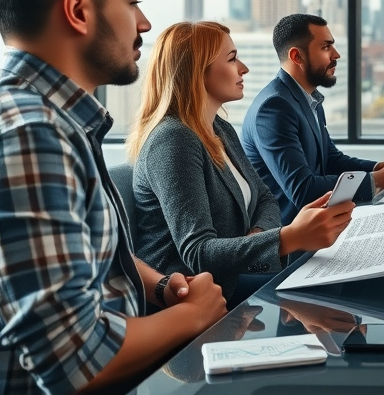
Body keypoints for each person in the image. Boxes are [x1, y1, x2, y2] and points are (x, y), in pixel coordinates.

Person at [0, 0, 227, 394]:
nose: (144, 23)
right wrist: (192, 315)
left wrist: (160, 286)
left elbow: (88, 253)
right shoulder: (32, 134)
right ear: (78, 10)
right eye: (132, 2)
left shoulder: (56, 122)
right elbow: (76, 364)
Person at [127, 22, 357, 309]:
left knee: (339, 275)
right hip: (193, 298)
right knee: (332, 290)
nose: (244, 68)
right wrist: (288, 237)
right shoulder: (173, 140)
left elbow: (265, 199)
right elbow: (198, 253)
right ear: (198, 71)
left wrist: (259, 238)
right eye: (232, 59)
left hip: (233, 278)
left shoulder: (219, 129)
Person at [242, 14, 384, 225]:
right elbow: (303, 190)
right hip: (292, 235)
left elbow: (330, 160)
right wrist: (378, 180)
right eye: (326, 47)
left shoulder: (308, 99)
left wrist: (380, 167)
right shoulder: (274, 108)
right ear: (297, 56)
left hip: (321, 223)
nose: (336, 55)